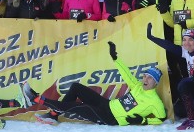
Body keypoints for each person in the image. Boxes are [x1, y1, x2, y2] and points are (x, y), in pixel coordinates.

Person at [25, 41, 166, 126]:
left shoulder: (155, 101)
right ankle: (54, 115)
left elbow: (161, 118)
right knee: (76, 87)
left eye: (150, 78)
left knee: (78, 106)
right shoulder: (137, 86)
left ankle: (36, 98)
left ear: (156, 83)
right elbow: (126, 73)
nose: (145, 80)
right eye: (145, 76)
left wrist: (143, 121)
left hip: (110, 118)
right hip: (107, 105)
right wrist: (115, 57)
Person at [147, 24, 194, 130]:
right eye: (184, 40)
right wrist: (152, 38)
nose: (187, 43)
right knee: (179, 110)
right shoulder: (187, 51)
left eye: (191, 40)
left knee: (184, 84)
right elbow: (170, 46)